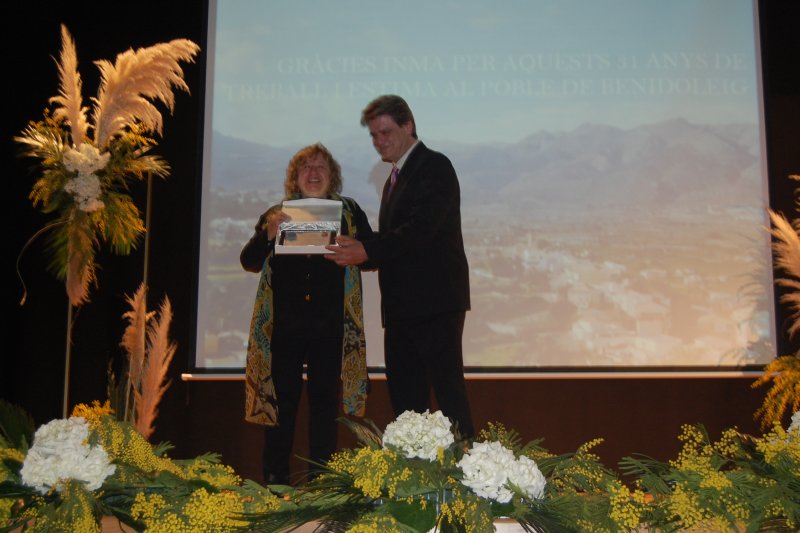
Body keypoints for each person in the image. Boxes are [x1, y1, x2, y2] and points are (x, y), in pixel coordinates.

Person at [326, 95, 474, 438]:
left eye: (386, 132)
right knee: (408, 409)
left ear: (408, 126)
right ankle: (414, 471)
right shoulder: (397, 176)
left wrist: (367, 250)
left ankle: (468, 467)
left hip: (434, 307)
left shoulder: (434, 166)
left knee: (449, 402)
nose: (379, 141)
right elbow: (396, 240)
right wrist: (356, 246)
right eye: (374, 135)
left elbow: (420, 232)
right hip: (403, 310)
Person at [241, 143, 373, 485]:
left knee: (325, 408)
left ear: (333, 176)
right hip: (285, 329)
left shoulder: (349, 212)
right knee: (280, 407)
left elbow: (372, 256)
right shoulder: (277, 214)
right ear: (294, 177)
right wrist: (267, 235)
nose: (313, 173)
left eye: (321, 167)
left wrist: (354, 250)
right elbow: (249, 261)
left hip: (330, 328)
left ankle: (321, 483)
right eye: (306, 168)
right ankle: (275, 482)